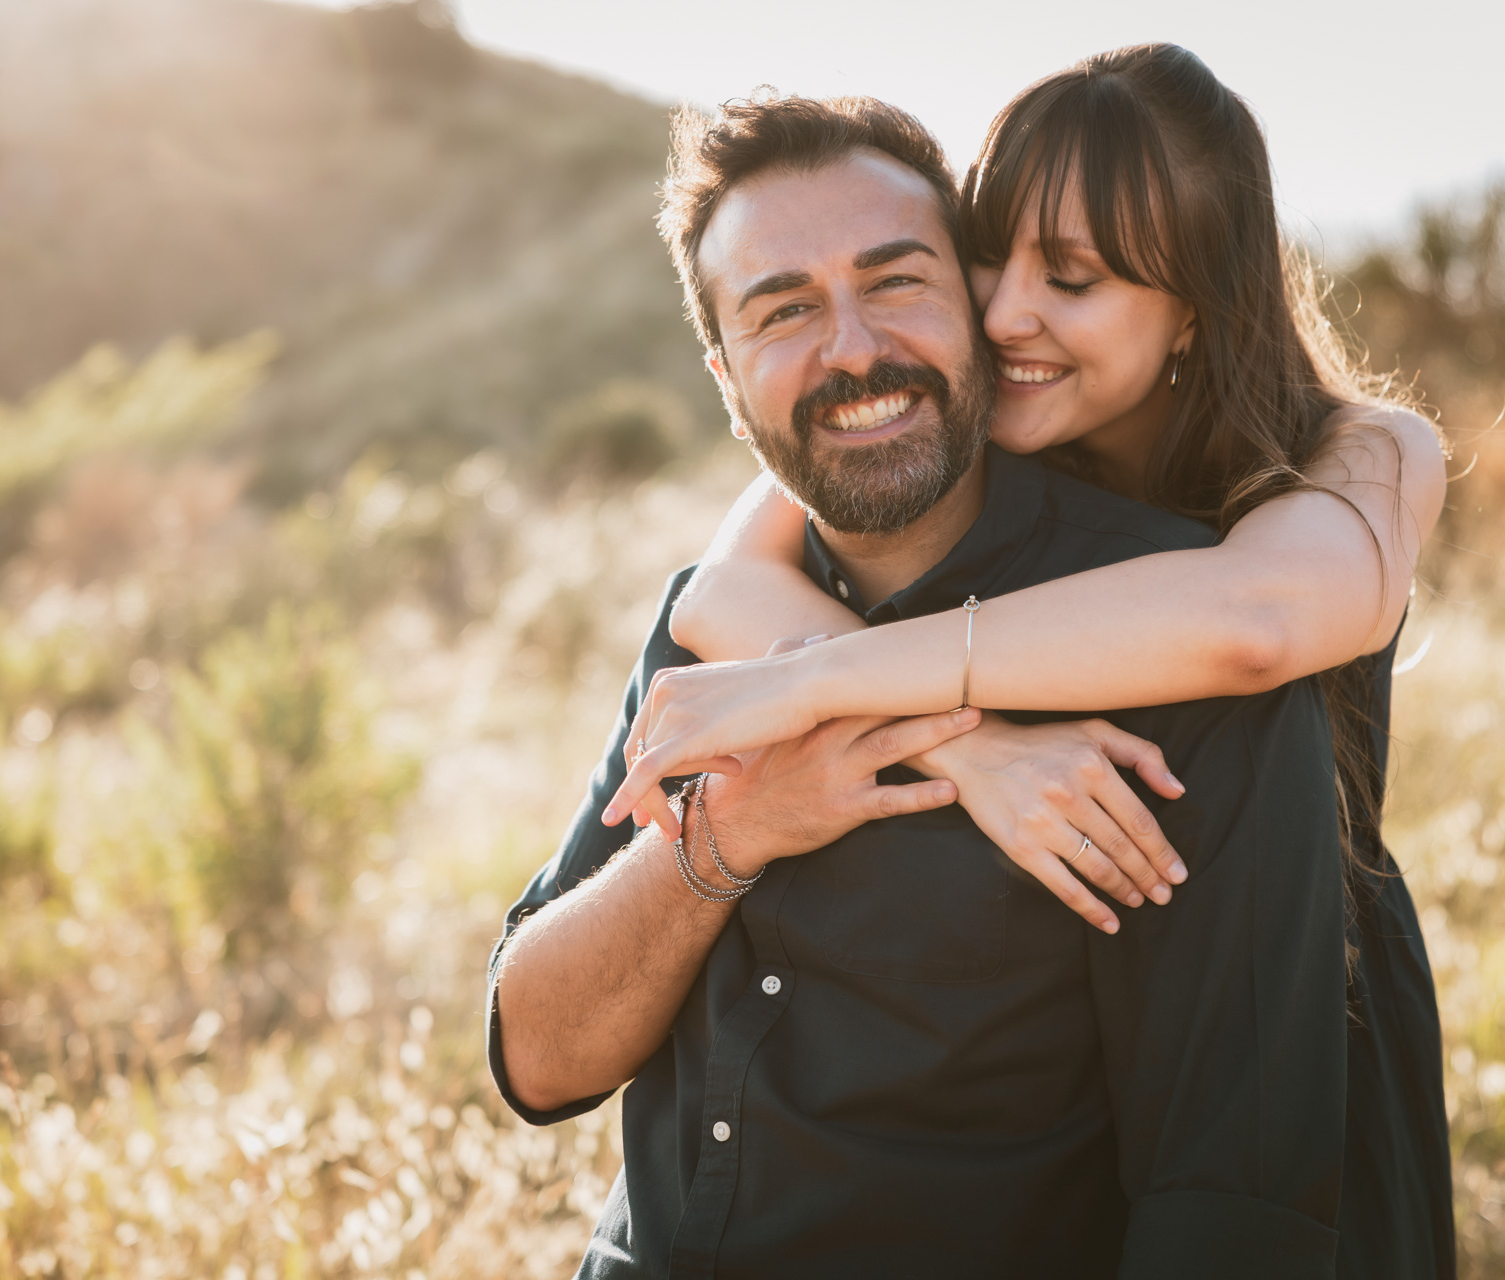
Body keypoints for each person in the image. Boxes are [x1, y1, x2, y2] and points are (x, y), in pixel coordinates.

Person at [609, 47, 1455, 1277]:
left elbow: (1251, 624)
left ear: (1196, 308)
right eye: (991, 253)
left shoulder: (1364, 453)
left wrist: (827, 680)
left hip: (1284, 1009)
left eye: (1074, 278)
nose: (1006, 314)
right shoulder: (979, 444)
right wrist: (979, 750)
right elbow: (730, 592)